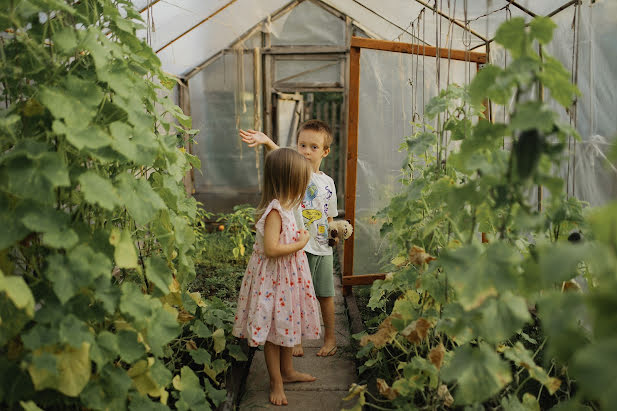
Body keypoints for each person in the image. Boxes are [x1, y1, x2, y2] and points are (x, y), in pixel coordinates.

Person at [240, 120, 339, 358]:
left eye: (313, 147)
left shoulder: (329, 183)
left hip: (322, 248)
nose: (306, 151)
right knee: (296, 296)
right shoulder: (298, 174)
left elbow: (330, 215)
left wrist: (334, 233)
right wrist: (267, 142)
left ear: (325, 152)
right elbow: (281, 160)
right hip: (298, 247)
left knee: (325, 295)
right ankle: (295, 340)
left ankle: (331, 338)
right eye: (302, 145)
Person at [232, 148, 321, 406]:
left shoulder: (287, 207)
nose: (305, 184)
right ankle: (276, 382)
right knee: (273, 332)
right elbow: (271, 250)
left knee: (286, 324)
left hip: (286, 280)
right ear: (290, 181)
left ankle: (289, 371)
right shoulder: (274, 212)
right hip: (273, 280)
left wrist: (299, 239)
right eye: (302, 179)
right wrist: (300, 244)